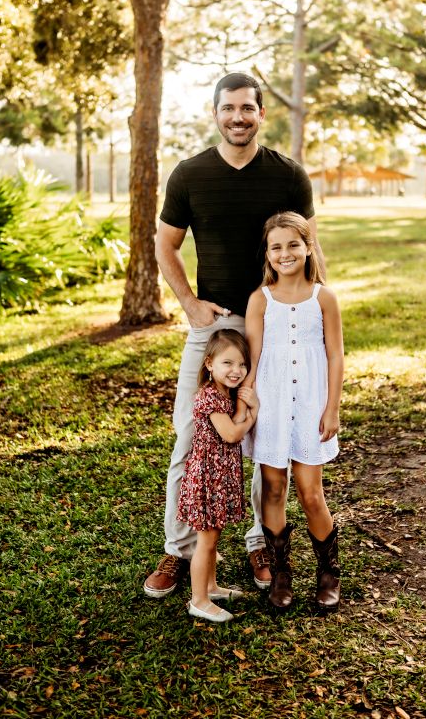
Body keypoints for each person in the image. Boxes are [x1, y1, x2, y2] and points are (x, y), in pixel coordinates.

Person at [143, 72, 324, 598]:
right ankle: (179, 550)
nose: (238, 117)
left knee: (257, 442)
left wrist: (314, 313)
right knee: (190, 438)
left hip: (272, 324)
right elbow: (165, 247)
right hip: (215, 328)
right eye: (229, 109)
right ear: (216, 113)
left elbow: (312, 250)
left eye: (248, 108)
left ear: (261, 113)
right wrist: (190, 304)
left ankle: (254, 543)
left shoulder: (289, 175)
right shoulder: (190, 174)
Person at [243, 211, 344, 612]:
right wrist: (246, 409)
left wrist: (331, 409)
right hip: (271, 406)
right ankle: (281, 576)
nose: (285, 254)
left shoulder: (324, 297)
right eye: (276, 247)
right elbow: (253, 360)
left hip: (309, 408)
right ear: (268, 255)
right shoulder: (259, 300)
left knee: (310, 493)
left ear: (308, 247)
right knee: (273, 489)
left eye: (293, 245)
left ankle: (328, 574)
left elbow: (335, 356)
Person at [177, 329, 259, 623]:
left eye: (242, 364)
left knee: (214, 537)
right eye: (228, 363)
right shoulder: (209, 396)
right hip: (208, 479)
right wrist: (253, 412)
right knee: (206, 541)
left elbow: (234, 425)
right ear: (209, 364)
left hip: (219, 476)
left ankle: (210, 587)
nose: (236, 371)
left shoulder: (225, 394)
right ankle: (198, 600)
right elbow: (232, 433)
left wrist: (242, 409)